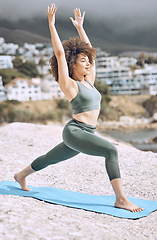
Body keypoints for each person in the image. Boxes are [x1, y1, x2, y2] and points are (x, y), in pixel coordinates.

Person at [14, 4, 143, 213]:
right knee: (111, 150)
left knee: (49, 159)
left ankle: (21, 175)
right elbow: (59, 53)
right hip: (76, 131)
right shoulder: (70, 85)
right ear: (72, 64)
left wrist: (80, 29)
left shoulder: (89, 81)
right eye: (83, 61)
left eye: (89, 61)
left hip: (85, 133)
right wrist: (51, 24)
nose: (89, 64)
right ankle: (120, 199)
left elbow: (91, 53)